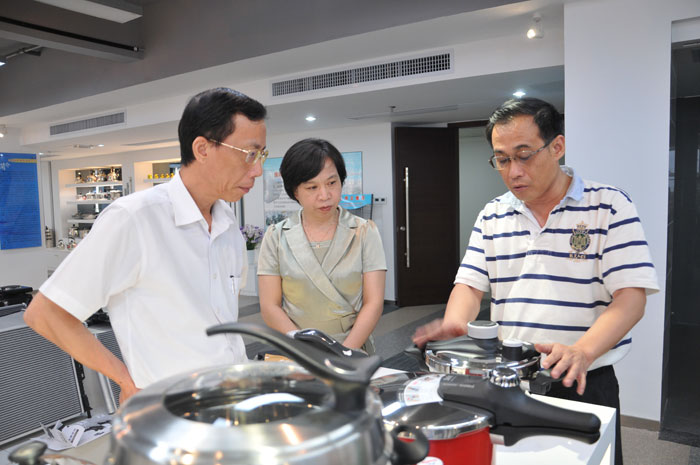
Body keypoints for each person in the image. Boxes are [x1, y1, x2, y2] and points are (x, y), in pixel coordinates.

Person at [413, 97, 658, 465]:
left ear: (557, 147)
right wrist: (456, 324)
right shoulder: (493, 214)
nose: (513, 171)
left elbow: (631, 299)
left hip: (581, 378)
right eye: (502, 159)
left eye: (524, 155)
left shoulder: (609, 206)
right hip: (506, 378)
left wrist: (582, 351)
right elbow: (469, 285)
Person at [24, 87, 268, 402]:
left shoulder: (227, 222)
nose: (257, 170)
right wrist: (125, 381)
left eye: (260, 155)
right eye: (249, 154)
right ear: (202, 149)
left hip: (231, 399)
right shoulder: (134, 219)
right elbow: (45, 313)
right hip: (169, 410)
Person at [257, 138, 386, 354]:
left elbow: (373, 303)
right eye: (312, 187)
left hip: (352, 348)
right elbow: (270, 307)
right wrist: (304, 348)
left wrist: (343, 353)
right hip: (297, 349)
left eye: (332, 183)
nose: (325, 195)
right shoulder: (276, 236)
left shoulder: (365, 232)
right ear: (295, 191)